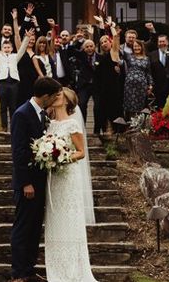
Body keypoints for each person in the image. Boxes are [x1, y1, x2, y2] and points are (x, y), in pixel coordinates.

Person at [9, 76, 63, 282]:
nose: (56, 100)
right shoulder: (22, 114)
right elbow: (19, 152)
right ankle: (18, 274)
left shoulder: (41, 115)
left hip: (40, 182)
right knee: (23, 227)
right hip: (28, 184)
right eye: (55, 96)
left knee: (34, 228)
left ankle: (29, 270)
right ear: (46, 96)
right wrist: (26, 183)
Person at [43, 87, 98, 282]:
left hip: (68, 177)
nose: (56, 97)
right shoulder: (49, 124)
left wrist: (62, 158)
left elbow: (81, 152)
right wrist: (48, 157)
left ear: (67, 101)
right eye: (55, 94)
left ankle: (74, 271)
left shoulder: (72, 124)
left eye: (59, 95)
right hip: (54, 179)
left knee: (69, 219)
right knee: (54, 220)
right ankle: (56, 271)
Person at [0, 25, 33, 130]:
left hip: (13, 83)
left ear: (12, 49)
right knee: (3, 106)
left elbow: (22, 49)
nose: (7, 49)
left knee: (13, 106)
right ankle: (4, 127)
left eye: (8, 47)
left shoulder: (15, 57)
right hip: (2, 83)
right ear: (2, 49)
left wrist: (27, 38)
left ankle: (13, 126)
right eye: (5, 48)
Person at [93, 22, 124, 135]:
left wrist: (111, 27)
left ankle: (118, 133)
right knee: (102, 113)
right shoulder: (101, 56)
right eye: (101, 42)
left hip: (114, 89)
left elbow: (115, 37)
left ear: (110, 42)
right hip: (103, 90)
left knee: (115, 112)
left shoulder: (114, 53)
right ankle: (104, 132)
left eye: (105, 41)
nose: (103, 44)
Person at [122, 39, 153, 119]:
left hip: (141, 85)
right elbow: (117, 50)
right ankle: (129, 126)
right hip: (130, 85)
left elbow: (148, 73)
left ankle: (138, 125)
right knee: (129, 105)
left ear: (142, 47)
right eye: (135, 46)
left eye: (138, 46)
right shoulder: (129, 56)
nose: (136, 48)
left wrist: (150, 85)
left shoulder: (146, 59)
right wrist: (116, 35)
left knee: (140, 105)